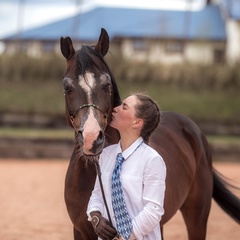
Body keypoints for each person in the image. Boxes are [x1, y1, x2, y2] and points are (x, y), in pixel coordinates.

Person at [87, 93, 166, 240]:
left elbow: (153, 209)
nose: (115, 109)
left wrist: (124, 236)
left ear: (137, 122)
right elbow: (97, 194)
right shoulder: (106, 154)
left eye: (124, 107)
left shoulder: (152, 160)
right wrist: (96, 217)